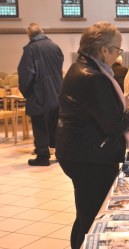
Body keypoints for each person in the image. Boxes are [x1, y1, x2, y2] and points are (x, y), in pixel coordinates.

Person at [56, 22, 129, 249]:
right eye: (117, 49)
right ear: (103, 50)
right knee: (93, 216)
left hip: (81, 151)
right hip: (89, 157)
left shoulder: (82, 69)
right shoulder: (93, 77)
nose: (119, 55)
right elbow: (115, 126)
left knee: (85, 212)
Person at [18, 23, 64, 166]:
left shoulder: (31, 49)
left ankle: (43, 156)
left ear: (28, 35)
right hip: (57, 92)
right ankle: (58, 152)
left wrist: (25, 92)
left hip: (40, 93)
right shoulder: (55, 46)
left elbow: (26, 73)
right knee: (53, 124)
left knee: (40, 125)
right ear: (42, 32)